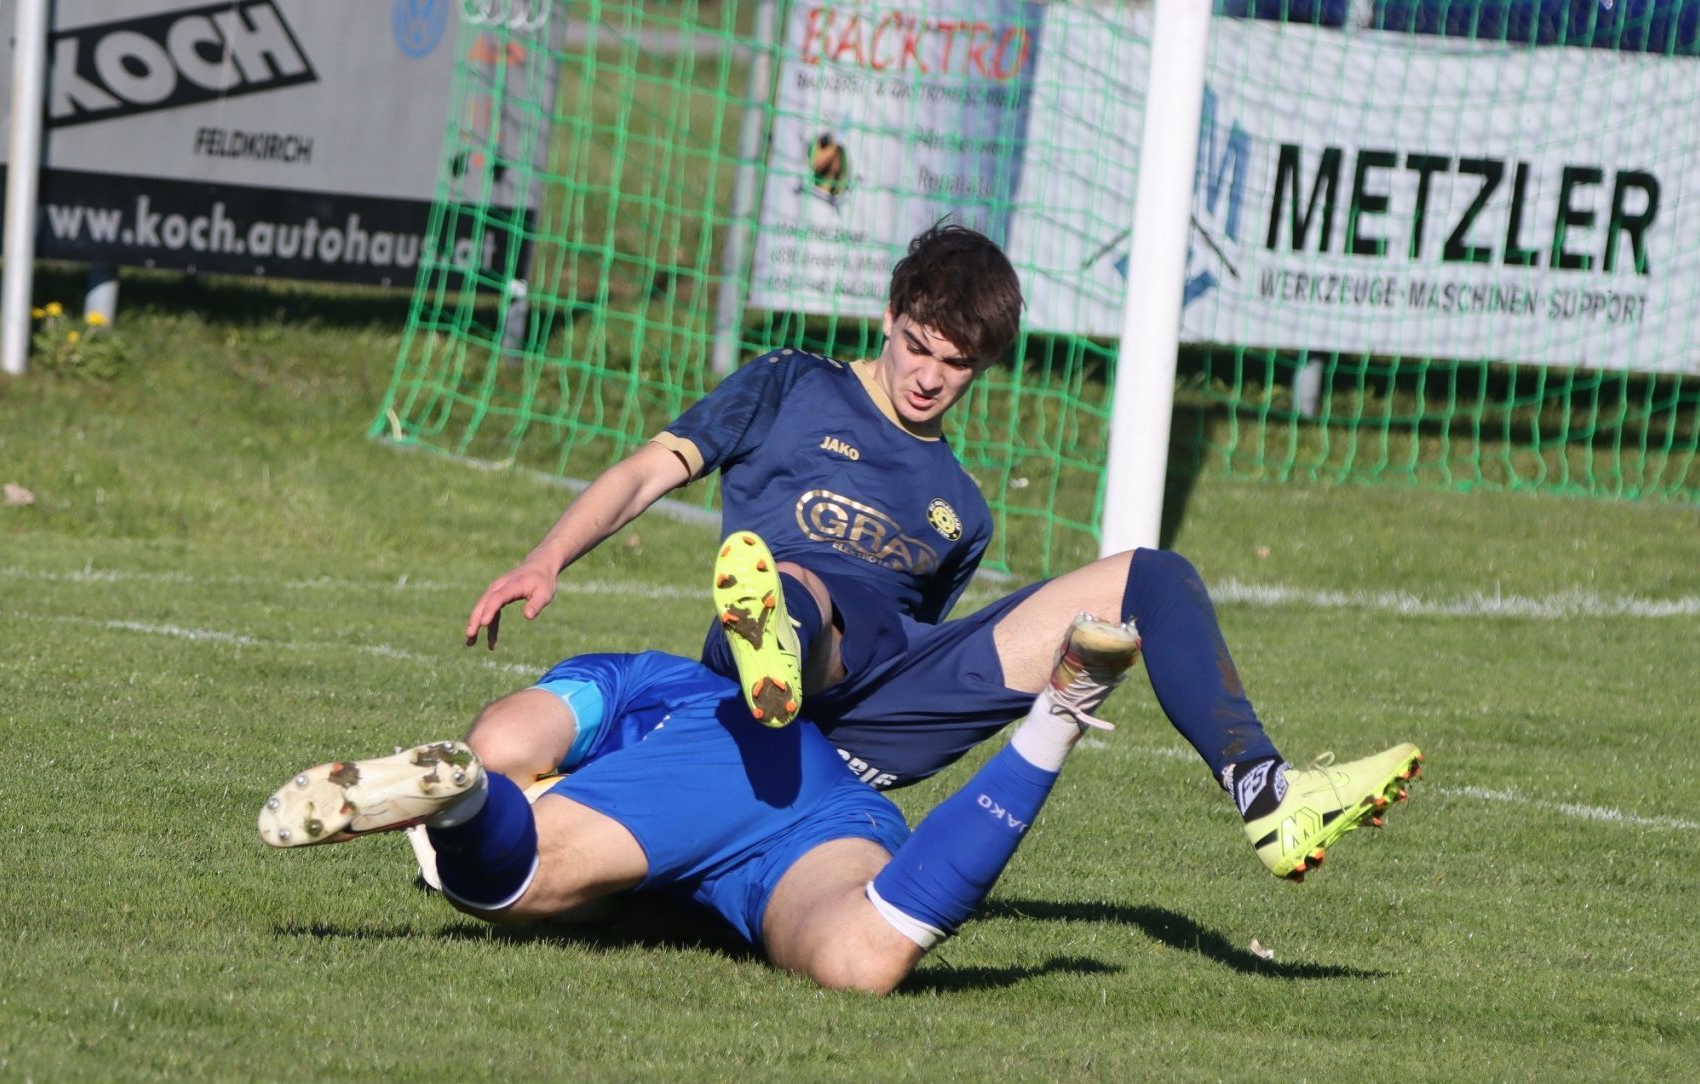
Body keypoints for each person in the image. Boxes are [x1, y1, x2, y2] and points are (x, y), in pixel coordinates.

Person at [463, 223, 1422, 881]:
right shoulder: (789, 384)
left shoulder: (960, 509)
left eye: (955, 363)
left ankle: (1267, 790)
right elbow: (646, 472)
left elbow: (925, 634)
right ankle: (774, 668)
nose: (929, 376)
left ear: (981, 367)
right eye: (919, 346)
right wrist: (549, 558)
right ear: (890, 317)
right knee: (790, 585)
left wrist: (1060, 688)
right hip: (756, 647)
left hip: (877, 707)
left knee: (1154, 576)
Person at [259, 616, 1148, 994]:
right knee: (860, 959)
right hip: (815, 824)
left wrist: (502, 785)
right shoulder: (626, 698)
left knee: (525, 877)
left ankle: (461, 818)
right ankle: (1062, 708)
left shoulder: (637, 682)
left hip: (733, 751)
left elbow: (503, 737)